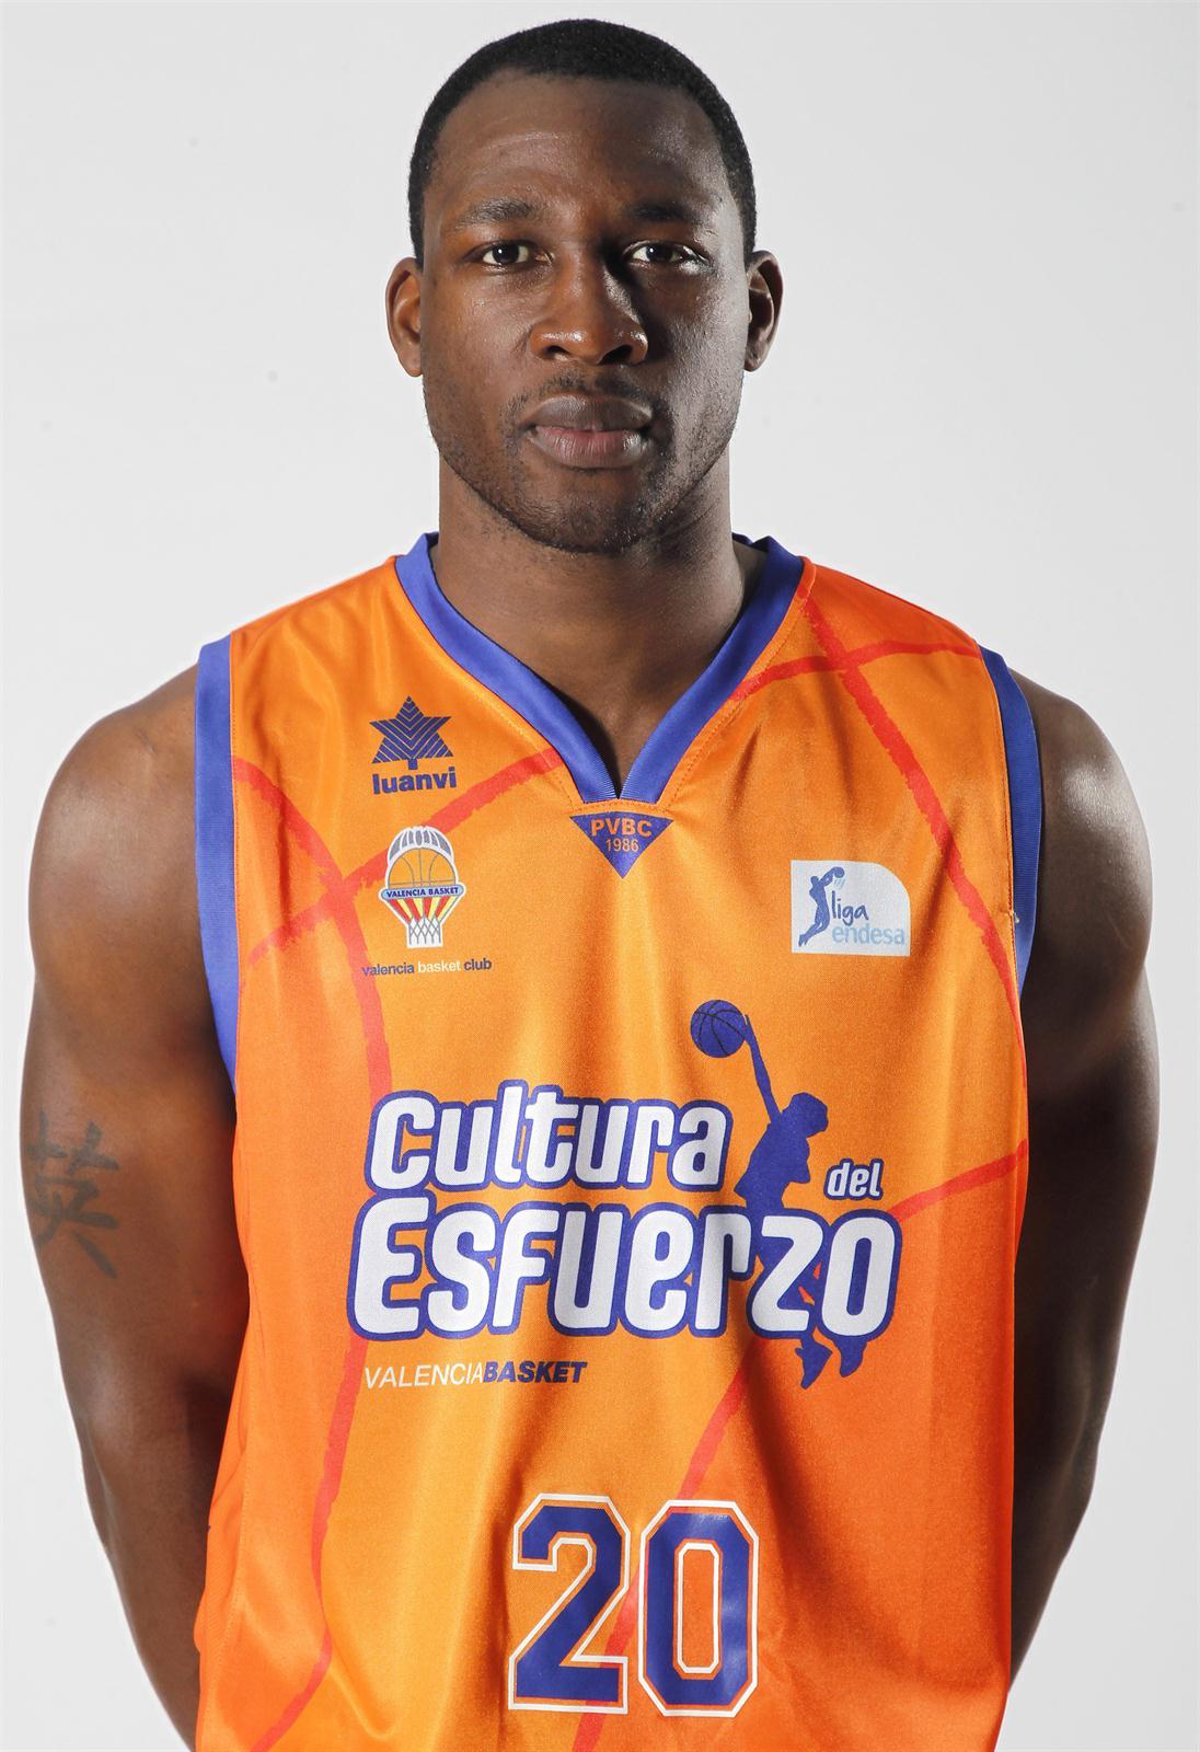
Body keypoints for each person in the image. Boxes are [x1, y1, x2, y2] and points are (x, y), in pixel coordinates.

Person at [20, 16, 1158, 1750]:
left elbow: (1050, 1363)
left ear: (754, 309)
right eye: (509, 253)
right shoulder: (172, 794)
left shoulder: (1017, 785)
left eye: (662, 253)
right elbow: (141, 1397)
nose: (591, 317)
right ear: (414, 317)